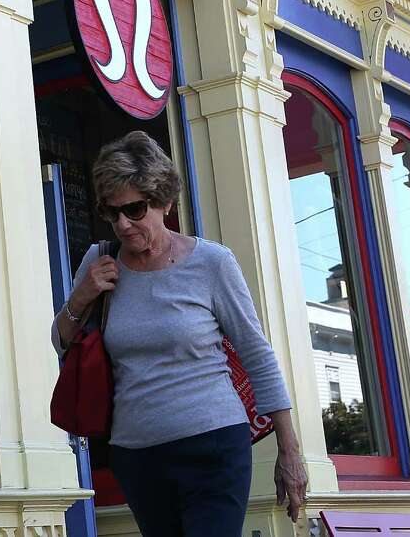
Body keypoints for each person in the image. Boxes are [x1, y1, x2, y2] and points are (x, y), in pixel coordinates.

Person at [52, 131, 307, 536]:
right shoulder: (99, 260)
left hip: (214, 445)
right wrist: (81, 297)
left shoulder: (212, 263)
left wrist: (290, 452)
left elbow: (256, 353)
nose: (122, 223)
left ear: (164, 202)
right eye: (111, 211)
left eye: (134, 209)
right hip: (136, 454)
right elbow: (61, 341)